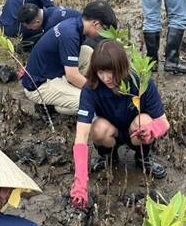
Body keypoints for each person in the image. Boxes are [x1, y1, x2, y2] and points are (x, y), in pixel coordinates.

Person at [70, 40, 170, 210]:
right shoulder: (90, 89)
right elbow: (81, 136)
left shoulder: (140, 82)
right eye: (101, 72)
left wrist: (153, 130)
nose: (106, 78)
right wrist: (80, 183)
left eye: (111, 72)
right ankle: (108, 156)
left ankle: (143, 158)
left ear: (122, 67)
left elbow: (164, 123)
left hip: (135, 132)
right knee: (98, 129)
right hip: (111, 131)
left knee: (144, 121)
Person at [21, 0, 117, 115]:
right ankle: (58, 106)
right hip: (39, 85)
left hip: (54, 70)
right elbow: (72, 76)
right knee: (89, 100)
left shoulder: (75, 24)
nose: (103, 35)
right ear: (96, 24)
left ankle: (70, 92)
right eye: (104, 30)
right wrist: (101, 93)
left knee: (87, 52)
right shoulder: (70, 35)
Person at [16, 3, 81, 47]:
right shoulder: (50, 10)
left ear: (37, 22)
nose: (28, 29)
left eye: (28, 26)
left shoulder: (51, 26)